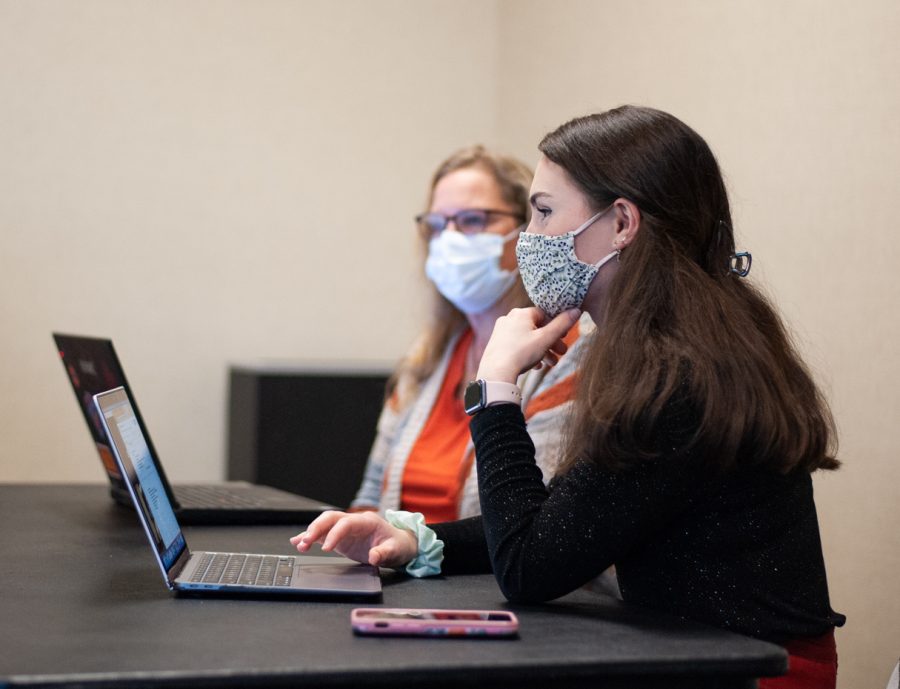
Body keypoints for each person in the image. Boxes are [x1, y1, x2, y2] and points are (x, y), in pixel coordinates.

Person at [293, 106, 844, 688]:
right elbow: (559, 524)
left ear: (622, 224)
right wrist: (415, 541)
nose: (529, 239)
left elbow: (529, 567)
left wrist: (495, 390)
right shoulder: (669, 348)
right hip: (702, 656)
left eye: (544, 212)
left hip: (754, 673)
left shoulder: (678, 378)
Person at [350, 145, 591, 523]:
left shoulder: (567, 349)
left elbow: (537, 519)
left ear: (524, 232)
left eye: (473, 220)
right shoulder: (428, 357)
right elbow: (369, 496)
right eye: (437, 224)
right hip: (398, 575)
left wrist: (415, 546)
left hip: (485, 579)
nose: (450, 239)